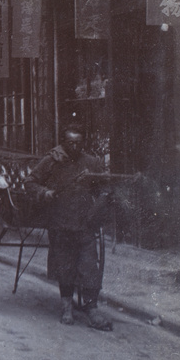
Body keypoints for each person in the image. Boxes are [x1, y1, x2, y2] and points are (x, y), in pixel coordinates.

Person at [24, 123, 113, 330]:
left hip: (85, 224)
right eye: (70, 142)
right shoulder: (52, 160)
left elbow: (103, 187)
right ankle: (66, 307)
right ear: (64, 142)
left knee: (89, 267)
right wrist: (44, 192)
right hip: (60, 223)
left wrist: (103, 198)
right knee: (64, 266)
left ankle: (92, 309)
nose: (74, 147)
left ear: (83, 143)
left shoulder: (91, 163)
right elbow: (30, 182)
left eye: (78, 143)